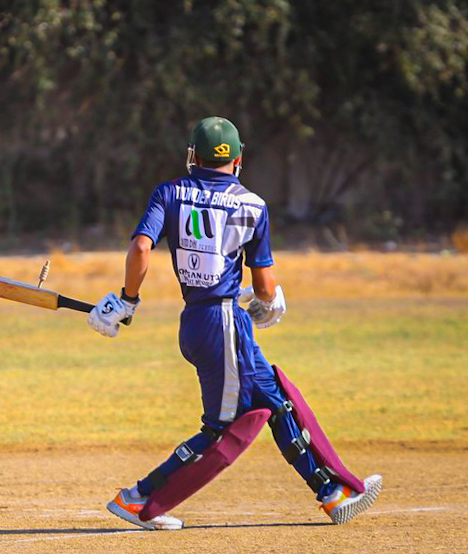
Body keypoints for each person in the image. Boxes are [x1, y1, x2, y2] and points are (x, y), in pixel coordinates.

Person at [88, 117, 382, 530]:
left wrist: (127, 299)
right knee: (221, 428)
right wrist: (265, 301)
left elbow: (140, 247)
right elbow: (265, 286)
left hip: (201, 320)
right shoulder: (252, 204)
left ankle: (331, 492)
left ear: (193, 155)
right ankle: (138, 498)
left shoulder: (169, 192)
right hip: (223, 323)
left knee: (277, 402)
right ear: (238, 158)